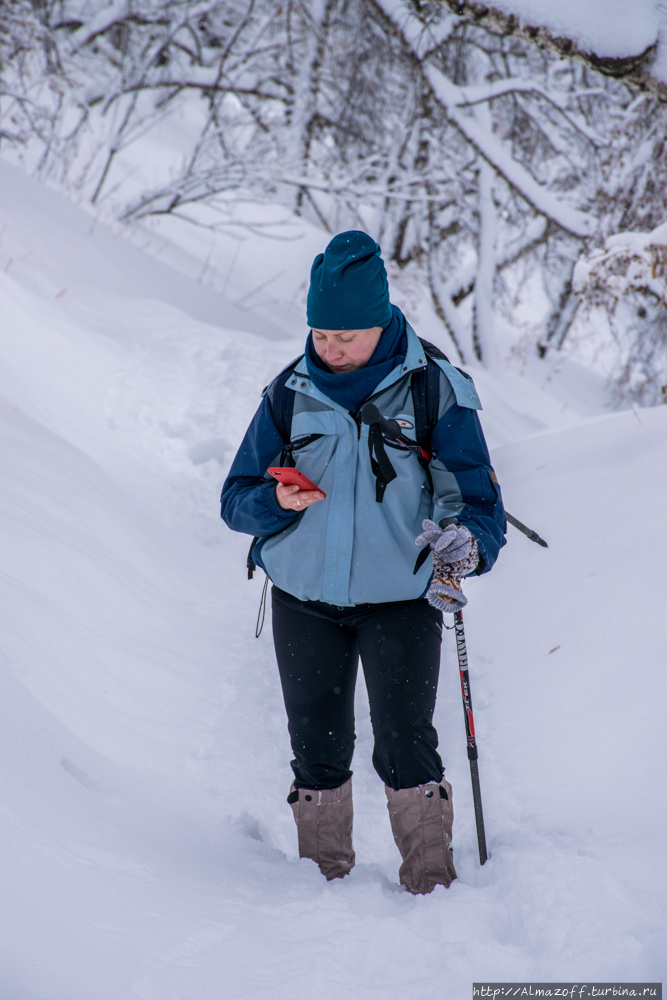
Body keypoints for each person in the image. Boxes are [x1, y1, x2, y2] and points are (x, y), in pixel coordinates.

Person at [220, 231, 505, 894]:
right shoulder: (287, 393)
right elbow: (236, 500)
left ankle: (431, 884)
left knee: (405, 741)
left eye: (345, 336)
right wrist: (277, 502)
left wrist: (467, 543)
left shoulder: (436, 390)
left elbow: (479, 501)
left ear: (381, 324)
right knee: (316, 744)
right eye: (320, 334)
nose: (331, 348)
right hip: (302, 595)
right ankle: (321, 885)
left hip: (401, 596)